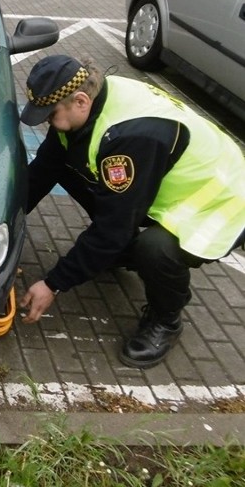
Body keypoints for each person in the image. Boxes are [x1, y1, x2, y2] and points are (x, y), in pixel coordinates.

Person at [18, 54, 245, 369]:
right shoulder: (96, 99)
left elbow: (113, 227)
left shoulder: (130, 138)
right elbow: (44, 169)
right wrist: (5, 224)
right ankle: (119, 253)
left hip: (220, 201)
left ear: (81, 100)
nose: (47, 123)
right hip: (168, 181)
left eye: (50, 115)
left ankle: (166, 319)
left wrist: (54, 283)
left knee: (154, 249)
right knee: (70, 166)